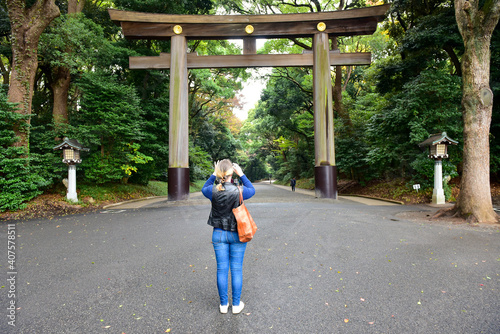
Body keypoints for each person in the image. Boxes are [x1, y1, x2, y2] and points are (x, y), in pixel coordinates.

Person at [202, 159, 256, 314]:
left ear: (219, 172)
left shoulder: (212, 190)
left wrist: (214, 173)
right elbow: (252, 189)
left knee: (221, 269)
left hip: (218, 234)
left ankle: (223, 305)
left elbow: (204, 187)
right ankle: (236, 305)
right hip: (238, 234)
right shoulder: (240, 190)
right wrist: (242, 174)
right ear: (233, 172)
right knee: (236, 269)